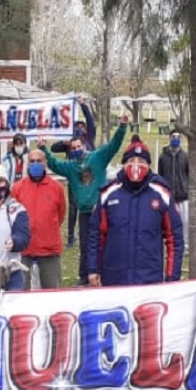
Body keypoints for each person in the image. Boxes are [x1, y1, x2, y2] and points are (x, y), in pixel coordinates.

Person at [40, 114, 129, 286]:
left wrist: (122, 127)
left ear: (84, 145)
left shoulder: (98, 157)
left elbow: (114, 145)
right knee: (85, 245)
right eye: (73, 148)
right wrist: (43, 148)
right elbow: (53, 163)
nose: (76, 149)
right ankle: (84, 276)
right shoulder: (71, 167)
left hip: (101, 210)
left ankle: (105, 272)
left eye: (78, 146)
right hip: (85, 212)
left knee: (106, 242)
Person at [87, 141, 183, 287]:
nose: (136, 165)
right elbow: (96, 235)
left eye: (142, 161)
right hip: (114, 278)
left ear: (149, 165)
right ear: (124, 164)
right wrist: (93, 269)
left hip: (149, 280)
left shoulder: (162, 193)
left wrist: (172, 277)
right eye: (131, 160)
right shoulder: (108, 194)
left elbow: (174, 237)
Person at [12, 148, 67, 290]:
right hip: (24, 251)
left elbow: (60, 215)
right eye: (32, 161)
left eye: (39, 161)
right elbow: (12, 217)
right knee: (21, 294)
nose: (35, 164)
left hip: (49, 250)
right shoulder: (18, 188)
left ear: (45, 163)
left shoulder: (56, 188)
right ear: (27, 164)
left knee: (52, 293)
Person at [50, 95, 97, 246]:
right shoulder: (69, 143)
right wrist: (63, 141)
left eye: (82, 127)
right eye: (77, 127)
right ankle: (71, 236)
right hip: (74, 179)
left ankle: (90, 234)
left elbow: (91, 123)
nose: (80, 129)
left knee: (89, 207)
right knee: (73, 208)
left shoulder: (88, 139)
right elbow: (53, 148)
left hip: (89, 179)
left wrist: (84, 105)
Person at [158, 129, 190, 252]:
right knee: (169, 222)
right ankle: (171, 245)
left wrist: (186, 187)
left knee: (185, 221)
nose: (175, 139)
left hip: (183, 195)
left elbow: (189, 174)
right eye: (173, 137)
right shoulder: (163, 157)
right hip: (169, 196)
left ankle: (185, 246)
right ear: (169, 138)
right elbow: (160, 174)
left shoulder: (185, 156)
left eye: (178, 137)